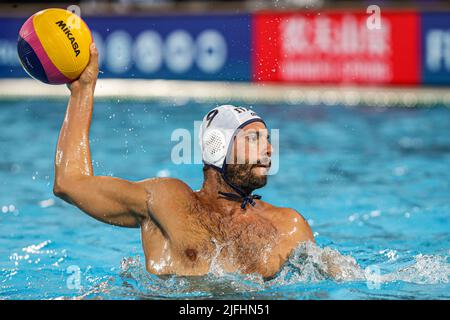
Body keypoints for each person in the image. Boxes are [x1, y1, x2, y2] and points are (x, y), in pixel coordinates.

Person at [53, 43, 314, 279]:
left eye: (267, 139)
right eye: (254, 138)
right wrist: (82, 90)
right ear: (217, 148)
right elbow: (69, 183)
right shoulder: (167, 201)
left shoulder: (288, 226)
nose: (269, 148)